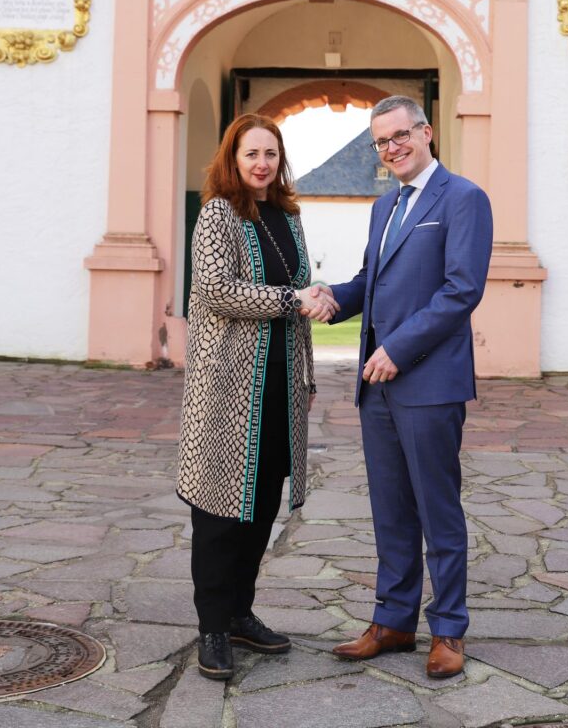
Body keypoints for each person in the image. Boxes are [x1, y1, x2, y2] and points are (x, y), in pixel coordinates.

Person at [316, 96, 492, 679]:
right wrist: (332, 298)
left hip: (428, 381)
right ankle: (392, 622)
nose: (392, 148)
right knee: (390, 509)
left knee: (437, 510)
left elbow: (460, 289)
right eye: (381, 142)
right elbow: (372, 280)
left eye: (400, 136)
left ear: (426, 132)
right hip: (378, 386)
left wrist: (398, 348)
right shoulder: (384, 204)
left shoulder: (464, 198)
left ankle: (448, 631)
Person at [176, 113, 338, 681]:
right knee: (220, 512)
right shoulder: (217, 213)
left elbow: (301, 309)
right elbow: (217, 291)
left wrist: (309, 378)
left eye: (271, 153)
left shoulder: (288, 218)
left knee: (261, 504)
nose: (262, 163)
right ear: (233, 159)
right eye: (251, 154)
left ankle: (241, 612)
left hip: (279, 386)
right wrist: (293, 299)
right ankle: (212, 628)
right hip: (226, 387)